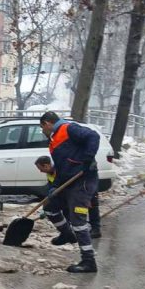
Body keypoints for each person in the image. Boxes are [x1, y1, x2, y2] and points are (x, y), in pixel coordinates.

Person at [39, 111, 100, 272]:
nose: (42, 131)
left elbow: (93, 136)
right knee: (50, 208)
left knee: (78, 221)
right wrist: (54, 186)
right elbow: (61, 167)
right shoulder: (54, 140)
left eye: (42, 128)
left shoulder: (69, 128)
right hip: (68, 181)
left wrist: (87, 159)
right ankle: (67, 234)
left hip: (82, 181)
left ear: (47, 123)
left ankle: (89, 261)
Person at [35, 155, 102, 239]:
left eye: (40, 168)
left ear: (46, 165)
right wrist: (50, 194)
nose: (40, 171)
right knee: (66, 206)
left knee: (92, 205)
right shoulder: (50, 173)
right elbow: (52, 185)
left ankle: (96, 229)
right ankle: (67, 232)